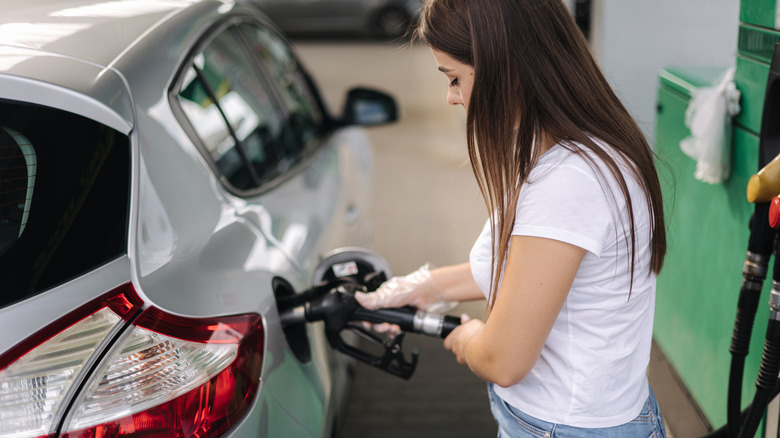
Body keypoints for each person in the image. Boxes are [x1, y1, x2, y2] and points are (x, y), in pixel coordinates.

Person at [355, 0, 668, 436]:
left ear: (510, 69)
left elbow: (503, 360)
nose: (451, 97)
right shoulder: (574, 149)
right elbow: (530, 271)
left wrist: (466, 339)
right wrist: (422, 288)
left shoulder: (570, 180)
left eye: (455, 78)